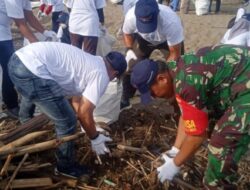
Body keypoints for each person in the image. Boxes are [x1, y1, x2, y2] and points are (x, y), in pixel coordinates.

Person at [131, 45, 250, 189]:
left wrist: (175, 165)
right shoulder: (176, 71)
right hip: (237, 80)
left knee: (220, 145)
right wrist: (175, 150)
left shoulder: (187, 84)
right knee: (212, 125)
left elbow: (197, 137)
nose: (153, 97)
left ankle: (219, 184)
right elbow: (186, 114)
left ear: (162, 79)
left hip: (245, 85)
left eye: (152, 92)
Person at [8, 42, 127, 178]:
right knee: (67, 121)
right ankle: (65, 167)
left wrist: (86, 127)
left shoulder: (91, 61)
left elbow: (77, 101)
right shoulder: (102, 75)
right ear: (115, 73)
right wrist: (95, 138)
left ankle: (25, 128)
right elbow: (84, 113)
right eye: (115, 78)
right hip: (32, 70)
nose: (112, 79)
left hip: (17, 60)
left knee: (32, 93)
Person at [121, 0, 184, 109]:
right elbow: (127, 33)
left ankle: (177, 104)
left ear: (157, 13)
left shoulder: (171, 21)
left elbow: (174, 53)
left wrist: (168, 71)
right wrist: (129, 49)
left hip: (167, 42)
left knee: (178, 69)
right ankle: (126, 97)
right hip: (143, 40)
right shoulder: (131, 16)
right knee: (130, 66)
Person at [0, 0, 56, 118]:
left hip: (4, 31)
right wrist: (37, 46)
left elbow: (29, 16)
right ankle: (11, 105)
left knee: (8, 67)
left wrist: (45, 31)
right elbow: (21, 24)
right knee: (9, 68)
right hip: (1, 35)